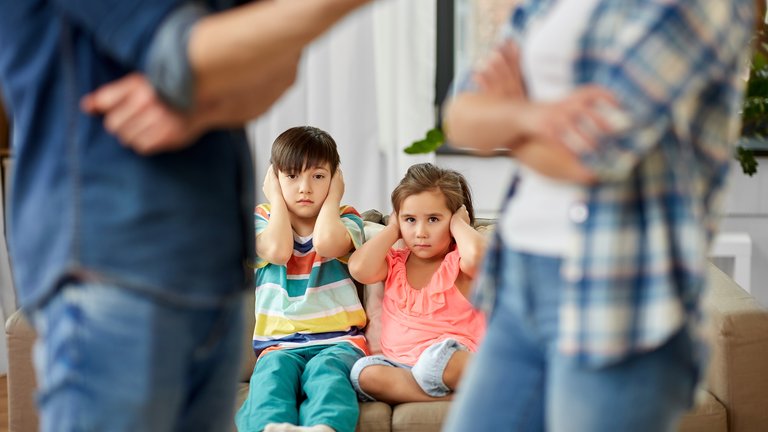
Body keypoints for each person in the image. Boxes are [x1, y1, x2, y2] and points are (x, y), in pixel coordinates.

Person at [0, 1, 370, 431]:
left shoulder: (343, 216)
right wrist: (207, 82)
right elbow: (184, 56)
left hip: (212, 277)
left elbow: (278, 66)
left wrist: (201, 101)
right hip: (114, 266)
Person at [441, 0, 758, 431]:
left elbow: (588, 154)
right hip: (519, 280)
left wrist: (508, 118)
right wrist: (534, 115)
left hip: (619, 294)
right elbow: (461, 117)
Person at [236, 126, 367, 432]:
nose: (305, 188)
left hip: (338, 341)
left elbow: (326, 244)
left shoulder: (346, 217)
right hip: (278, 345)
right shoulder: (263, 219)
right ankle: (272, 427)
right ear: (274, 178)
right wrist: (276, 200)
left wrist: (334, 197)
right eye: (292, 176)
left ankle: (323, 427)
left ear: (335, 179)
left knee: (329, 377)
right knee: (270, 380)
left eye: (318, 176)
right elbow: (278, 251)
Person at [347, 163, 486, 404]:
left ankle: (483, 383)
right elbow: (359, 269)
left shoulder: (459, 262)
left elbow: (477, 256)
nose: (420, 232)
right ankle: (456, 401)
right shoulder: (394, 263)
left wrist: (460, 224)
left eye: (433, 219)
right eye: (410, 219)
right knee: (363, 373)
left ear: (452, 219)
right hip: (402, 368)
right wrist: (392, 229)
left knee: (434, 363)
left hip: (449, 360)